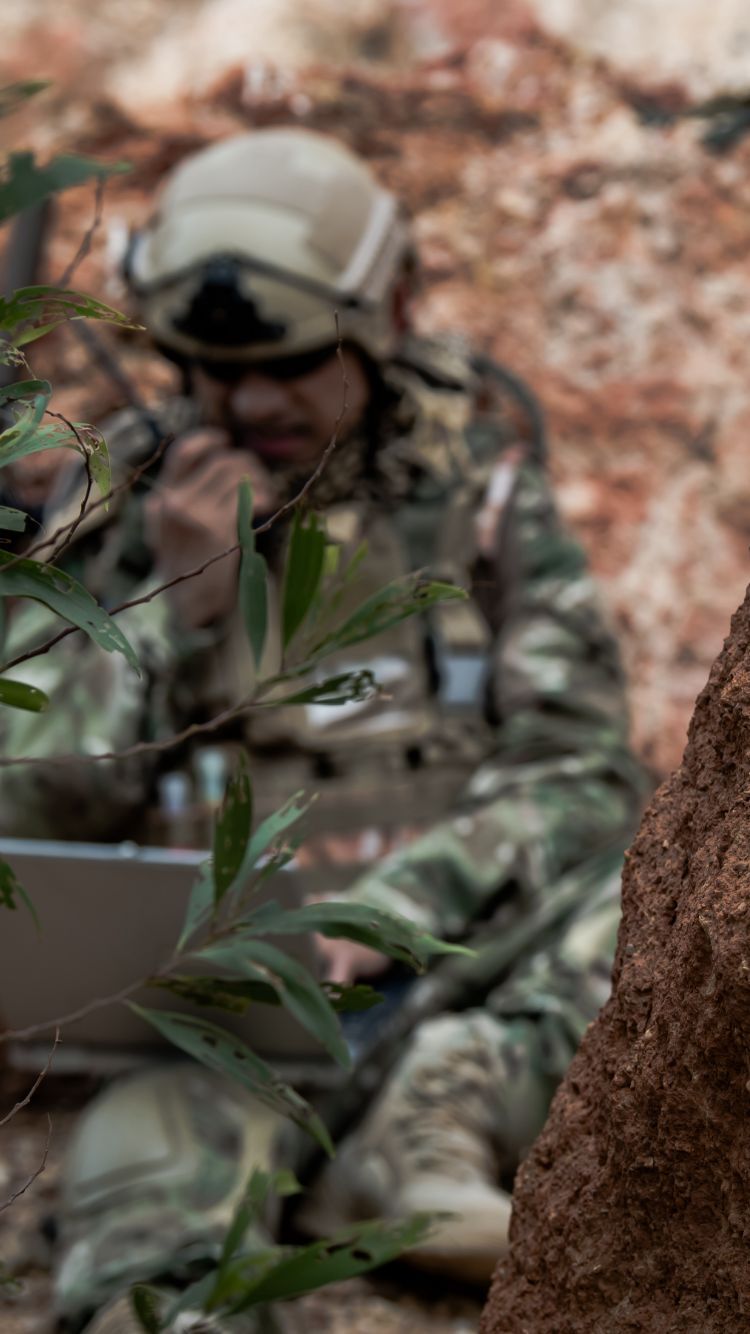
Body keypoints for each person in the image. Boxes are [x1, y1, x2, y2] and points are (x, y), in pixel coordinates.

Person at [0, 130, 645, 1332]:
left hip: (466, 986)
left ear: (381, 318)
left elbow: (583, 774)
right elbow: (22, 822)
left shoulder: (479, 495)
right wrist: (178, 622)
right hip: (210, 1041)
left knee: (649, 899)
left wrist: (386, 918)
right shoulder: (129, 512)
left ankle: (428, 1132)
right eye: (207, 365)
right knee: (143, 1262)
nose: (249, 400)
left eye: (293, 364)